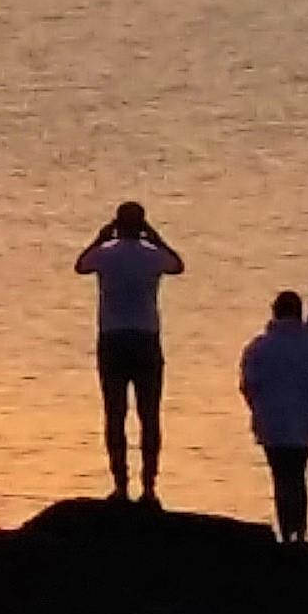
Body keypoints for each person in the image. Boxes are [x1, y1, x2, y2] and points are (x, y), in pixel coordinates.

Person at [74, 201, 186, 503]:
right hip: (146, 338)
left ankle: (120, 484)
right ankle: (149, 486)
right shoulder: (152, 257)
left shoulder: (105, 255)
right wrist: (156, 237)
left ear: (116, 226)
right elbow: (177, 265)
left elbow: (80, 265)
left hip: (112, 339)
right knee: (149, 415)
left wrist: (99, 238)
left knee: (115, 414)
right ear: (142, 227)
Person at [240, 290, 308, 546]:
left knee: (281, 476)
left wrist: (258, 410)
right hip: (304, 423)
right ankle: (298, 533)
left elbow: (249, 386)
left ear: (275, 312)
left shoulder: (259, 347)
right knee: (297, 474)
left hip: (272, 422)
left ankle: (287, 532)